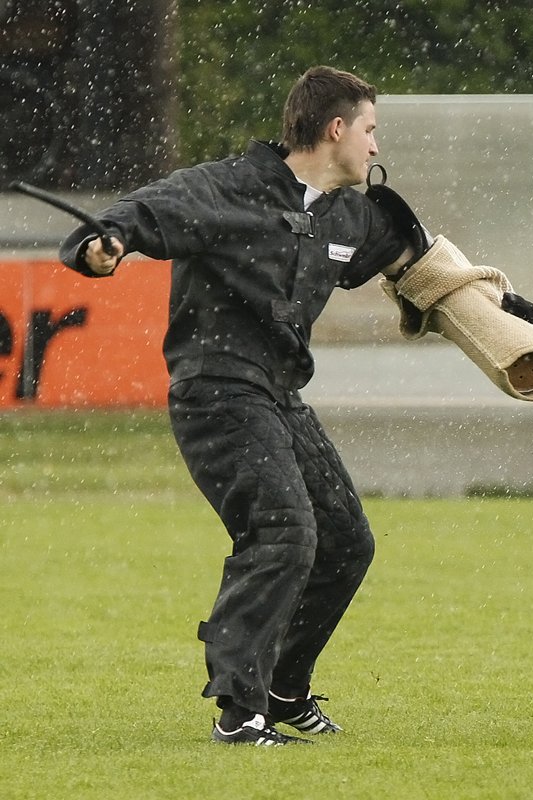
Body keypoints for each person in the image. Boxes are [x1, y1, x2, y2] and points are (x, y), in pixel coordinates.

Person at [60, 66, 421, 746]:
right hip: (217, 390)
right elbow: (135, 217)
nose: (376, 148)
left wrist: (498, 311)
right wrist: (98, 246)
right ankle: (240, 708)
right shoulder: (225, 187)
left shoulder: (346, 212)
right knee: (284, 531)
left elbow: (414, 260)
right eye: (370, 131)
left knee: (347, 541)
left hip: (281, 395)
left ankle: (285, 691)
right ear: (335, 129)